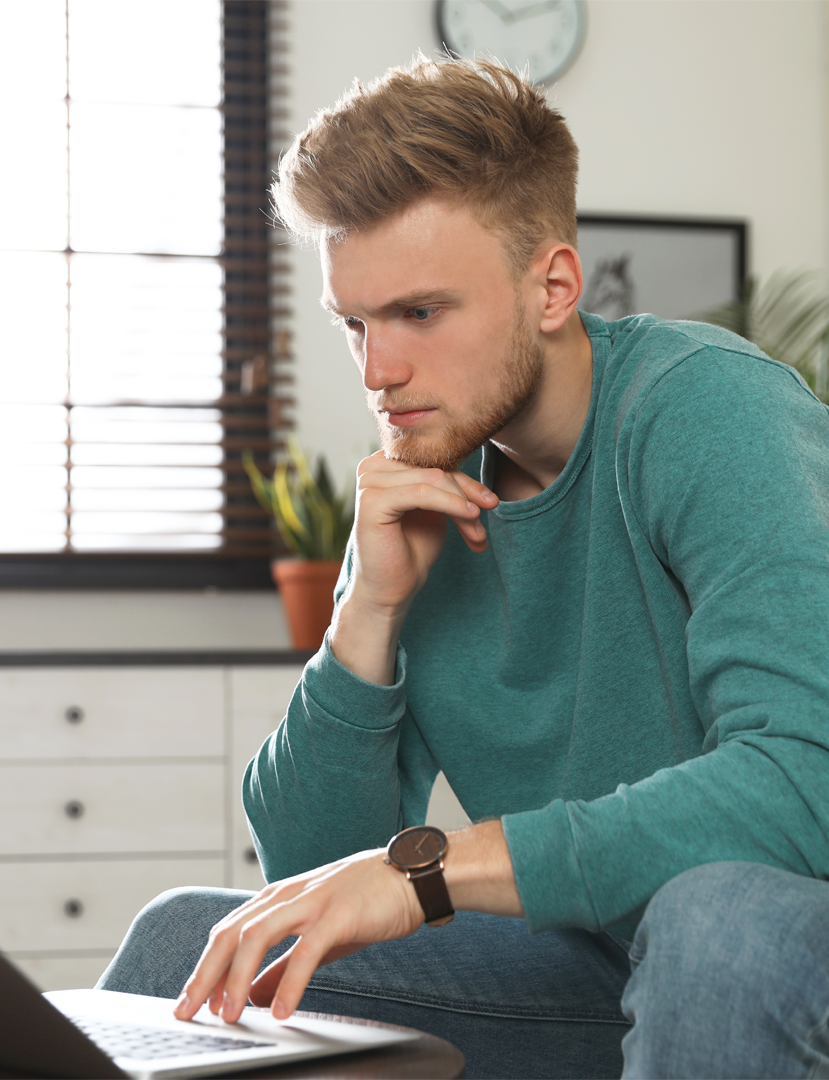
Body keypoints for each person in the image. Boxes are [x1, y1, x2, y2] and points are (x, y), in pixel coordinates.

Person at [98, 58, 829, 1078]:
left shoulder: (708, 415)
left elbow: (806, 785)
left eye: (421, 314)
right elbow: (310, 880)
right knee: (193, 941)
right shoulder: (427, 480)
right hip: (603, 973)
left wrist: (432, 870)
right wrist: (370, 606)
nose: (377, 371)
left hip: (776, 951)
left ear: (554, 288)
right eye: (355, 322)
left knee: (717, 919)